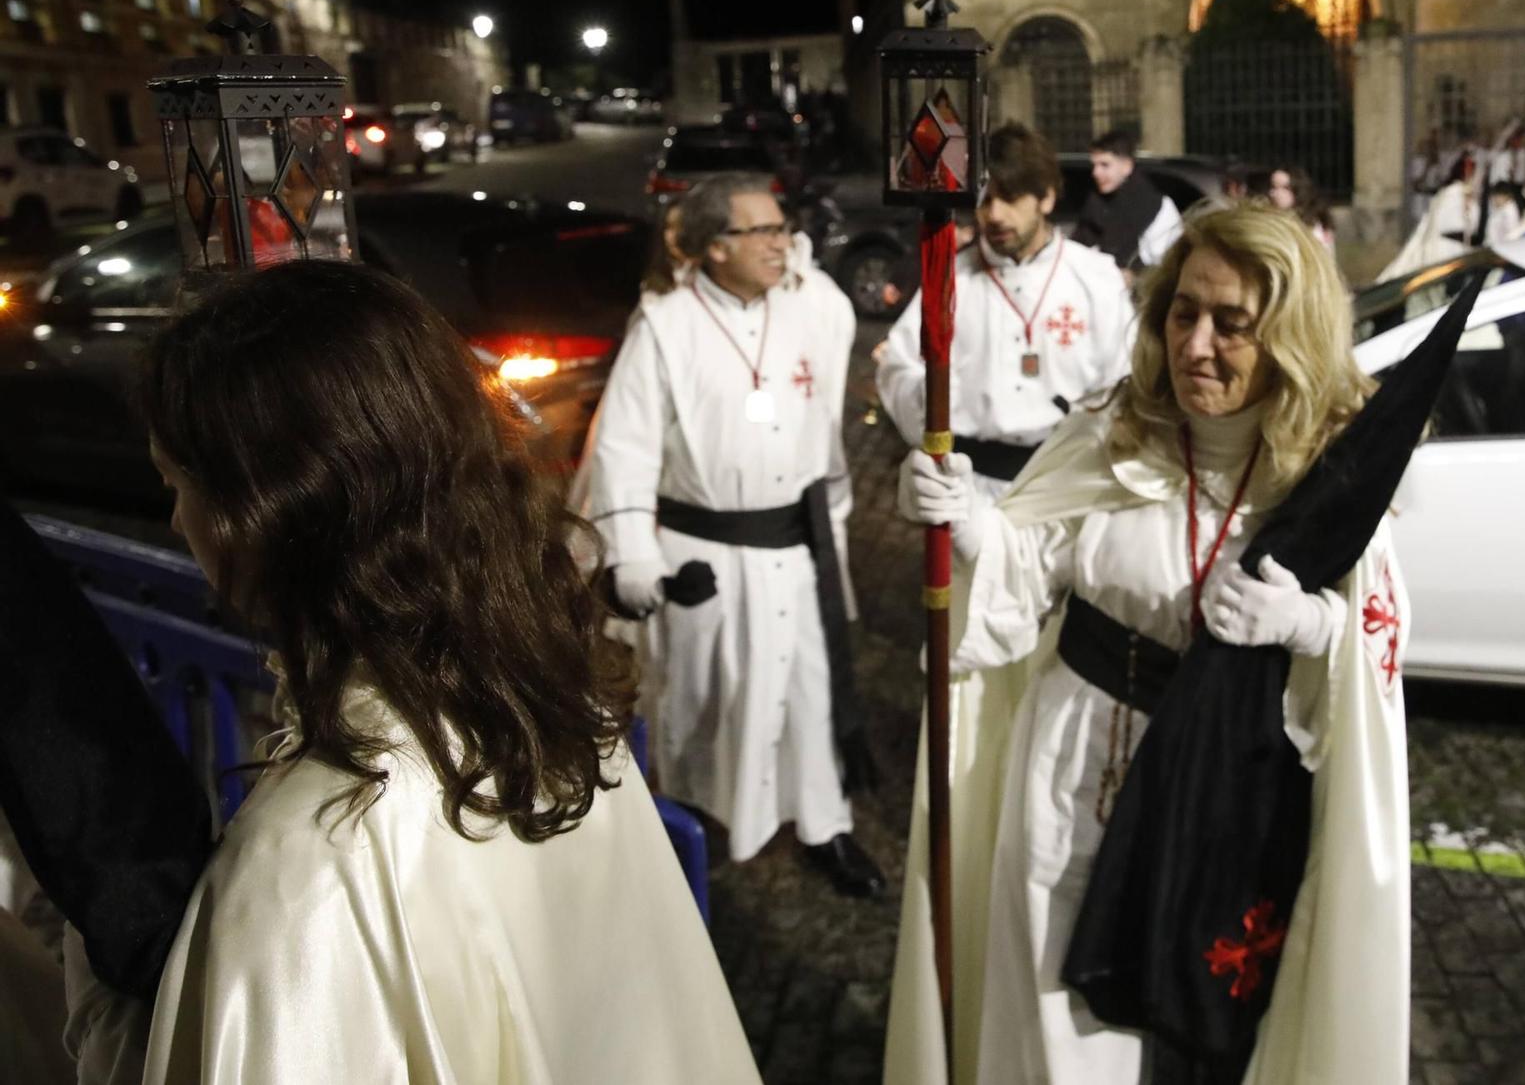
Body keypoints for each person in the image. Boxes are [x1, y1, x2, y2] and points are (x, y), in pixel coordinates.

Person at [53, 260, 757, 1082]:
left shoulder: (317, 854)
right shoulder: (540, 695)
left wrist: (97, 978)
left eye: (178, 485)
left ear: (276, 513)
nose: (175, 522)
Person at [884, 202, 1415, 1085]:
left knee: (1202, 1036)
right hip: (1073, 762)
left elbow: (1379, 644)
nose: (1195, 344)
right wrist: (973, 525)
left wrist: (1310, 626)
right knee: (1057, 1029)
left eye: (1232, 323)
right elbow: (1030, 567)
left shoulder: (1333, 468)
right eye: (1182, 312)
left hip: (1226, 791)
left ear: (1289, 333)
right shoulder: (1111, 428)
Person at [587, 171, 885, 898]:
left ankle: (823, 823)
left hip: (798, 544)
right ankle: (708, 825)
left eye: (783, 228)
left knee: (810, 693)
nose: (784, 242)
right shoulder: (666, 323)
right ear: (716, 247)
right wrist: (634, 559)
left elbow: (841, 327)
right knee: (711, 698)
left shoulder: (808, 302)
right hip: (708, 554)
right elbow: (623, 448)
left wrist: (806, 274)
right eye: (765, 231)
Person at [878, 123, 1134, 510]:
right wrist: (930, 395)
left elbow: (1126, 380)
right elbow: (897, 365)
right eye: (984, 200)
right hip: (972, 490)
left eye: (1010, 197)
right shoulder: (948, 280)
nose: (994, 215)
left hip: (1068, 487)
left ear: (1045, 197)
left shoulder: (1096, 279)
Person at [1075, 130, 1183, 276]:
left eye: (1105, 165)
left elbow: (1166, 262)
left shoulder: (1157, 207)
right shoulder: (1094, 204)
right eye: (1094, 165)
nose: (1096, 172)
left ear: (1127, 166)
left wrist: (1133, 275)